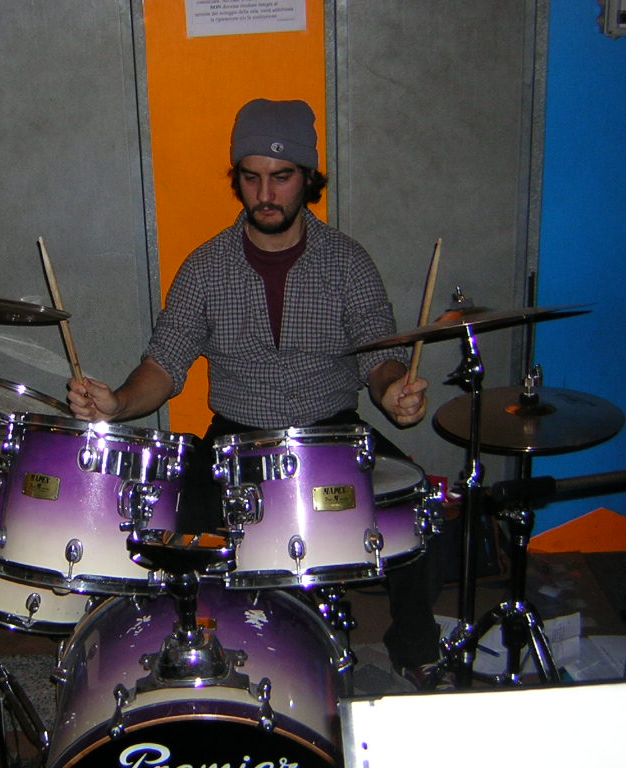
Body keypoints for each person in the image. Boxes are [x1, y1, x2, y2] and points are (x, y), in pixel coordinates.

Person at [67, 98, 442, 687]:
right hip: (235, 439)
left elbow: (379, 351)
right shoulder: (205, 267)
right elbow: (164, 363)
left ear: (309, 178)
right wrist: (117, 402)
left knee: (415, 502)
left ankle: (415, 649)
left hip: (333, 432)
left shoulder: (348, 262)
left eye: (282, 176)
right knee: (181, 525)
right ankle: (213, 657)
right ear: (237, 178)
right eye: (251, 177)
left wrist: (394, 388)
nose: (265, 194)